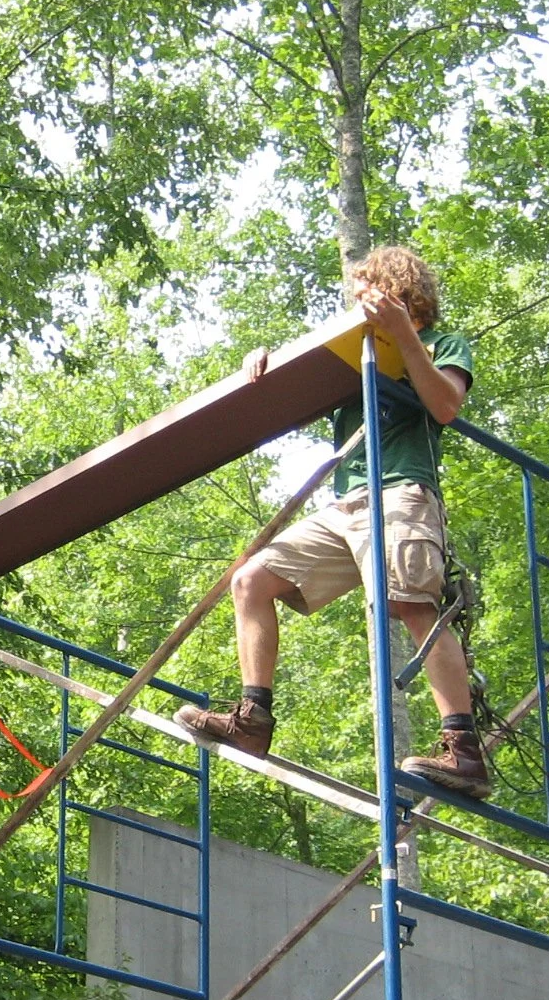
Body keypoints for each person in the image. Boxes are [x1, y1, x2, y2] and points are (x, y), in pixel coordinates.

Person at [177, 245, 492, 799]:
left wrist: (401, 333)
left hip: (401, 493)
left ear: (398, 289)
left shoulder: (442, 343)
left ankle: (464, 751)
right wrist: (267, 363)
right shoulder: (355, 353)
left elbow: (444, 406)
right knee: (250, 579)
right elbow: (295, 390)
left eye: (367, 291)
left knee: (412, 604)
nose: (358, 303)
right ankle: (253, 719)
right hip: (345, 504)